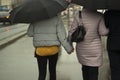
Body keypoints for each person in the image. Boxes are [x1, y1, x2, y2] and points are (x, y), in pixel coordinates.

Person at [27, 15, 73, 80]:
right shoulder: (57, 19)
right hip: (53, 50)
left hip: (40, 51)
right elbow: (62, 36)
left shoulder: (36, 19)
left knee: (42, 73)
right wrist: (68, 49)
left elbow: (29, 33)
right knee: (52, 72)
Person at [68, 7, 109, 80]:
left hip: (82, 50)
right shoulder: (99, 15)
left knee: (85, 68)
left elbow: (71, 32)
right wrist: (109, 30)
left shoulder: (79, 15)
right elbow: (103, 32)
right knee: (94, 72)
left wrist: (70, 45)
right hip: (95, 50)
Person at [104, 10, 120, 80]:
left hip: (112, 44)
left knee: (114, 68)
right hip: (113, 44)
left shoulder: (108, 13)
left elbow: (105, 26)